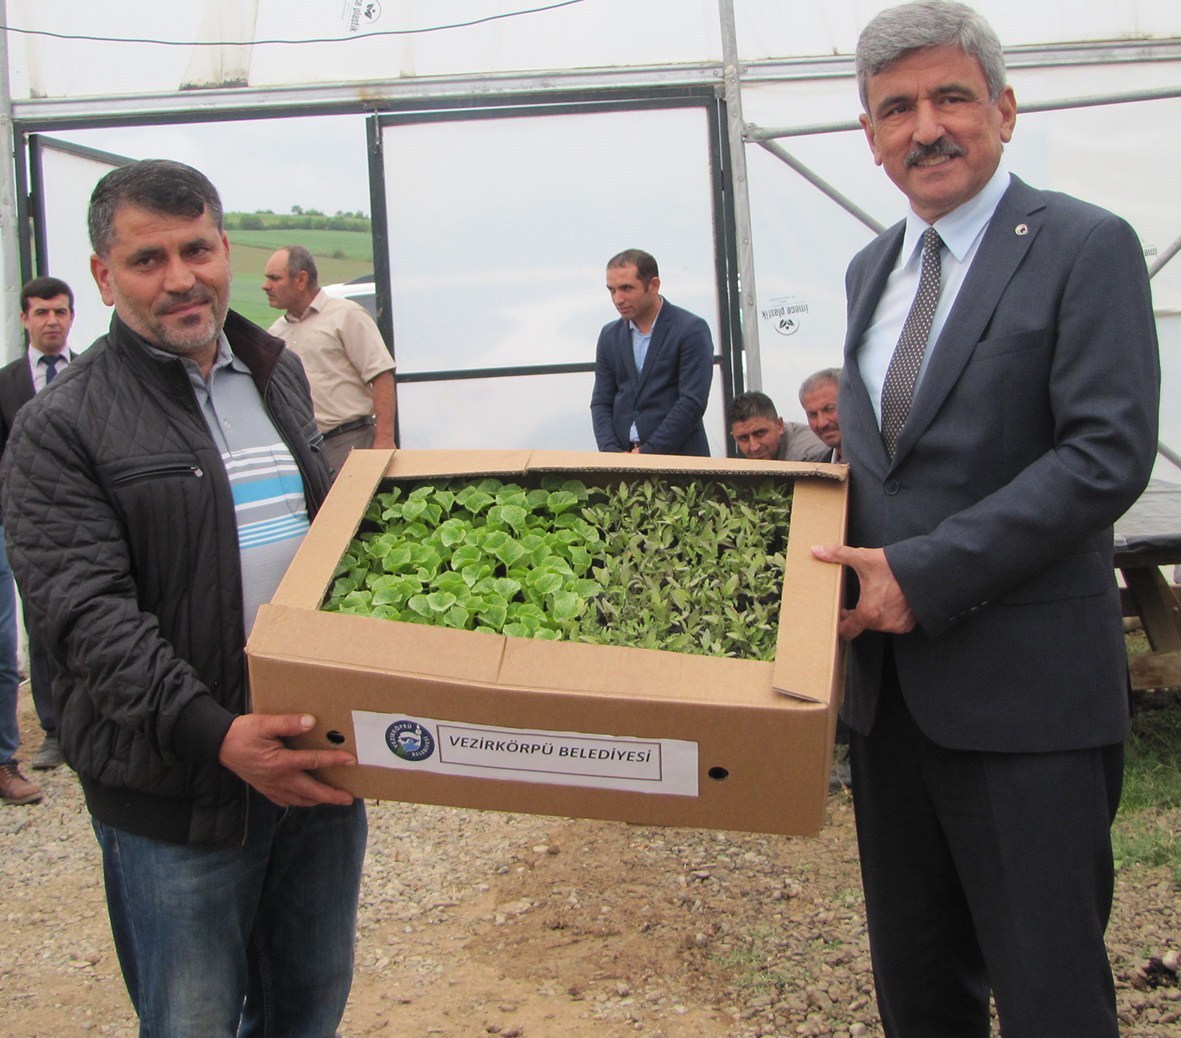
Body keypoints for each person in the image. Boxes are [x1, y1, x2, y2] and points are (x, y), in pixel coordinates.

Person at [810, 3, 1159, 1035]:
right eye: (895, 109)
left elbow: (1104, 456)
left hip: (1026, 703)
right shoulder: (870, 269)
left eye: (949, 97)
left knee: (1048, 991)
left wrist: (918, 573)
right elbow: (882, 465)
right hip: (889, 707)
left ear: (1001, 110)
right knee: (918, 992)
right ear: (870, 141)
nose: (925, 127)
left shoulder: (1080, 246)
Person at [2, 159, 367, 1036]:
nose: (180, 279)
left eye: (196, 249)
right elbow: (86, 616)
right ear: (102, 277)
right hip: (178, 794)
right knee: (192, 1018)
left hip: (314, 765)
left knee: (308, 1000)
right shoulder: (62, 426)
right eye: (146, 260)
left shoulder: (275, 373)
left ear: (225, 249)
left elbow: (322, 545)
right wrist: (216, 734)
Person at [0, 276, 78, 773]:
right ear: (25, 318)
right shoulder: (6, 384)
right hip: (28, 526)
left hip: (84, 519)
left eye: (61, 312)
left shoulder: (94, 374)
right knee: (42, 623)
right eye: (42, 312)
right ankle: (54, 730)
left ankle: (93, 722)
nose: (52, 321)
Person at [263, 245, 395, 477]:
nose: (266, 286)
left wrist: (384, 442)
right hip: (304, 450)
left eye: (274, 278)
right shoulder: (276, 334)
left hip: (350, 442)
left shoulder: (346, 316)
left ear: (301, 280)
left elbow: (381, 375)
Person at [590, 249, 713, 456]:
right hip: (623, 461)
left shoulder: (690, 329)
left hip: (679, 462)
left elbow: (692, 402)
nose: (618, 299)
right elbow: (601, 402)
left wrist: (650, 452)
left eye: (626, 288)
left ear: (654, 285)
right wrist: (610, 452)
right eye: (611, 290)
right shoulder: (609, 335)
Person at [727, 390, 829, 462]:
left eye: (760, 433)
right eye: (743, 438)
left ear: (779, 425)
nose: (754, 447)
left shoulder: (808, 455)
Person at [798, 368, 843, 462]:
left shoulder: (879, 458)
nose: (822, 423)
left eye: (829, 409)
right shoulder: (816, 469)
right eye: (813, 415)